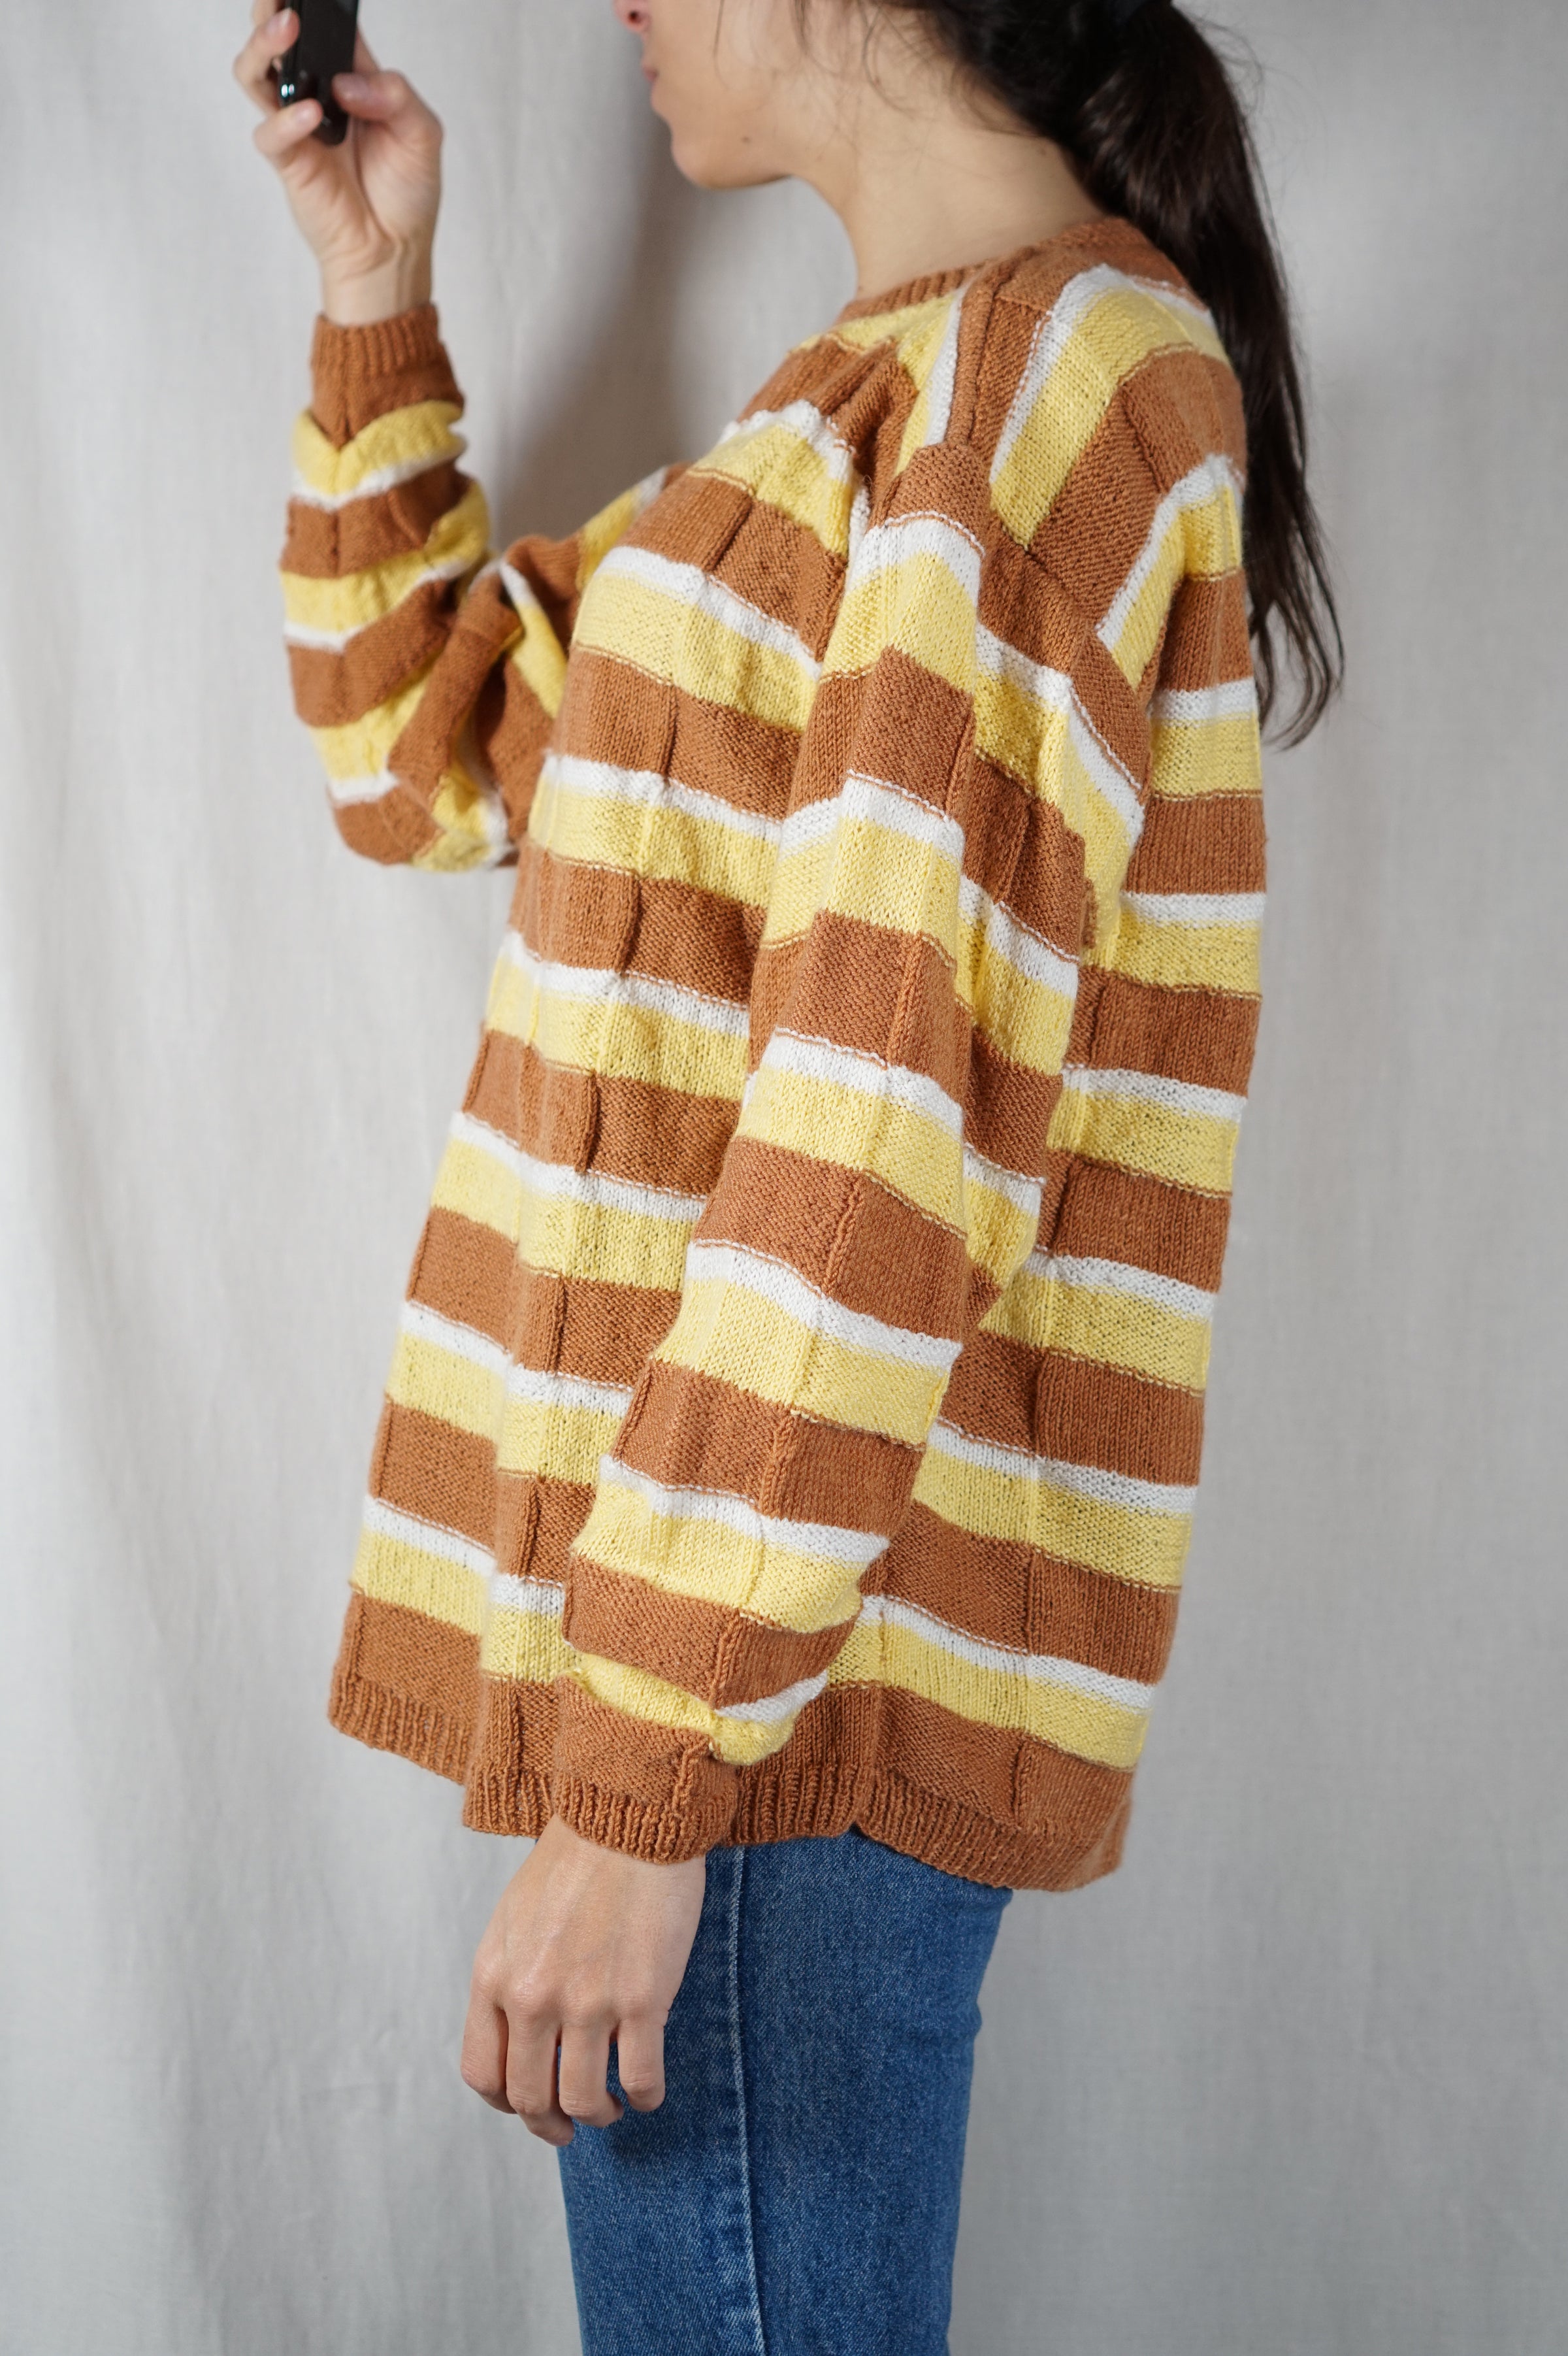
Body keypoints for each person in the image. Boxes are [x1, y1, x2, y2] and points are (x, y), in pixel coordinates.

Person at [235, 0, 1339, 2345]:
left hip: (772, 1709)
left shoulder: (1042, 383)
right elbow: (421, 745)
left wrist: (643, 1780)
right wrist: (372, 283)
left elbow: (884, 1114)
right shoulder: (846, 421)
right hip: (736, 1680)